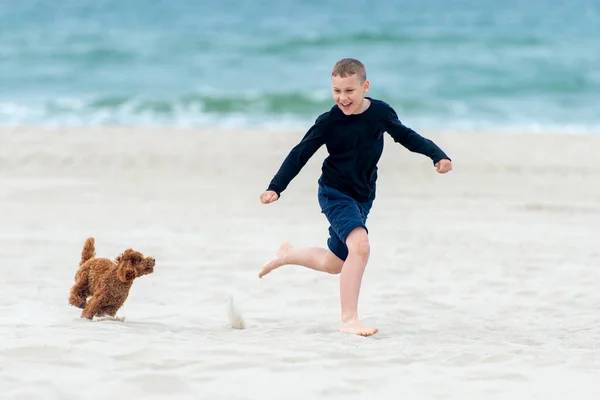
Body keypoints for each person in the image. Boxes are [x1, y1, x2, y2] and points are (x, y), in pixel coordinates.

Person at [258, 58, 452, 336]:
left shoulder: (380, 113)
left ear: (365, 86)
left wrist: (437, 154)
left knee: (335, 263)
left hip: (363, 196)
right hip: (334, 193)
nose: (342, 98)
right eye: (337, 91)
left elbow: (407, 136)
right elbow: (299, 154)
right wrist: (276, 187)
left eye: (349, 91)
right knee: (360, 246)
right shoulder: (329, 122)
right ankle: (348, 319)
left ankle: (287, 255)